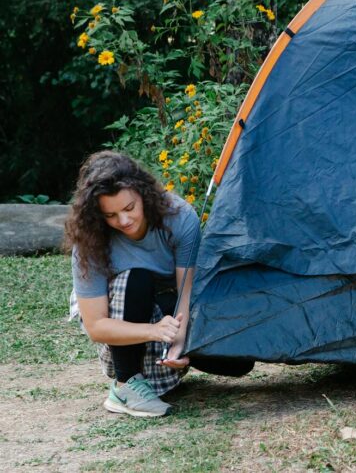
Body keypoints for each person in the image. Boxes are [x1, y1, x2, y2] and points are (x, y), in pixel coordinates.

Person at [65, 151, 253, 417]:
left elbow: (185, 291)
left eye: (129, 208)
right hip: (118, 312)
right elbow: (96, 326)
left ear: (143, 193)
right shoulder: (90, 240)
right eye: (111, 215)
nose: (124, 221)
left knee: (239, 363)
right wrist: (154, 331)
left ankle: (164, 366)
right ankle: (125, 384)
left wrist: (179, 339)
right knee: (136, 278)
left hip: (167, 301)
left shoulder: (179, 217)